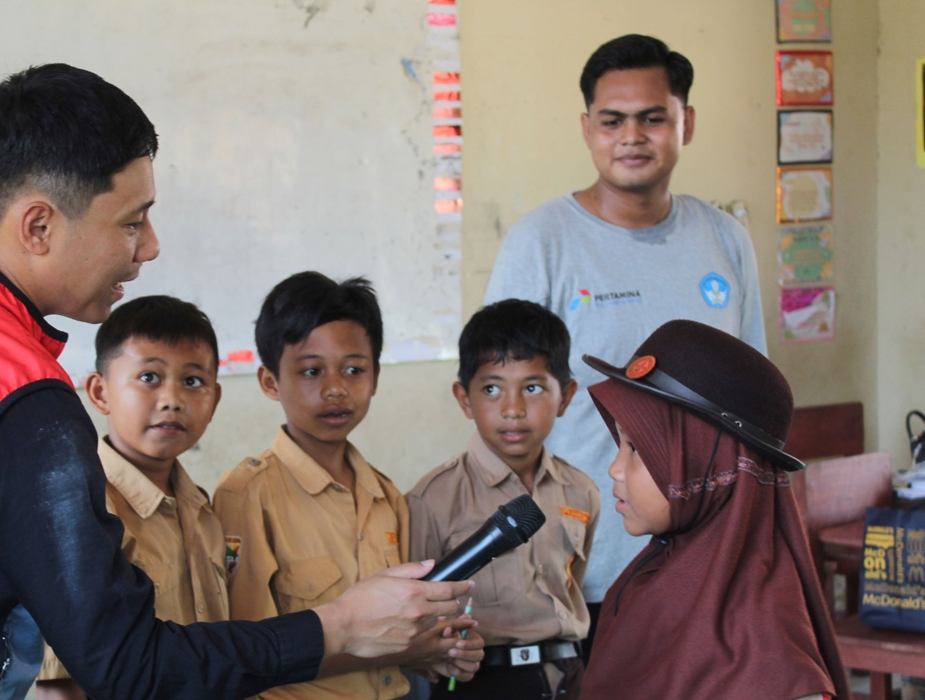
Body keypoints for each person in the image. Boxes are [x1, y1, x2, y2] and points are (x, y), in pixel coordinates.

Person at [0, 64, 475, 700]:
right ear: (38, 225)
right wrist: (341, 628)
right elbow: (129, 666)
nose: (150, 248)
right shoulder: (22, 403)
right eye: (132, 222)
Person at [483, 34, 767, 649]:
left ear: (685, 123)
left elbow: (754, 412)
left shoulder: (725, 239)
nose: (631, 137)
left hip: (709, 564)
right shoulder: (541, 245)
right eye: (613, 121)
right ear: (588, 129)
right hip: (583, 565)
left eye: (652, 118)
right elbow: (501, 409)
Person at [214, 272, 483, 700]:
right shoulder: (248, 494)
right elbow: (254, 653)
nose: (336, 388)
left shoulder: (387, 496)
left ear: (375, 377)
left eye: (354, 369)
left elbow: (404, 632)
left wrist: (440, 651)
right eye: (311, 371)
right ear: (270, 382)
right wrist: (402, 648)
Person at [578, 320, 849, 700]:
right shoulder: (644, 586)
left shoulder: (771, 669)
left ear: (705, 462)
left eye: (637, 448)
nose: (615, 469)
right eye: (620, 445)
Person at [35, 295, 232, 699]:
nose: (172, 399)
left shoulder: (204, 510)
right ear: (100, 392)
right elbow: (60, 683)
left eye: (193, 381)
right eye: (149, 378)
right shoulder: (82, 509)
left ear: (214, 401)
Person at [408, 299, 599, 700]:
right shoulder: (432, 499)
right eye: (492, 388)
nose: (513, 410)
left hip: (569, 676)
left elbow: (571, 586)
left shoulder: (580, 490)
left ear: (564, 397)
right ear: (464, 399)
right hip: (482, 683)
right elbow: (413, 617)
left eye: (533, 388)